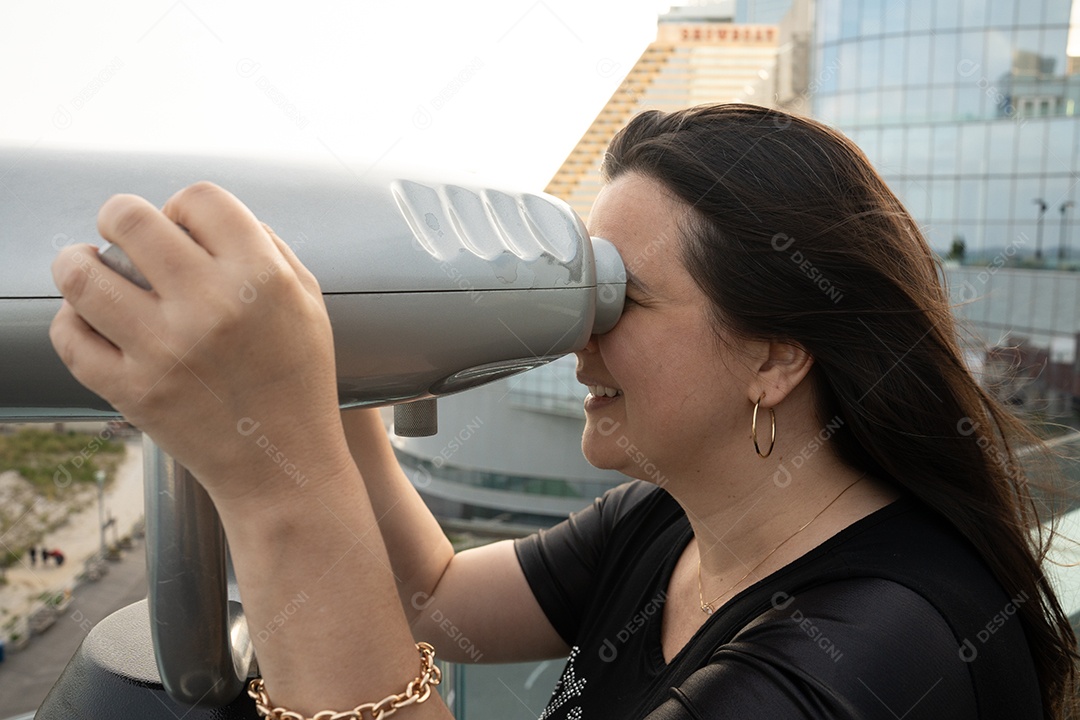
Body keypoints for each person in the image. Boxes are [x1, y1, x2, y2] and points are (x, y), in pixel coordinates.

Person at [48, 104, 1078, 719]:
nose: (577, 338)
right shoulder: (680, 522)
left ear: (773, 358)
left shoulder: (875, 648)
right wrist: (318, 364)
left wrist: (270, 475)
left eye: (617, 299)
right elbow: (433, 596)